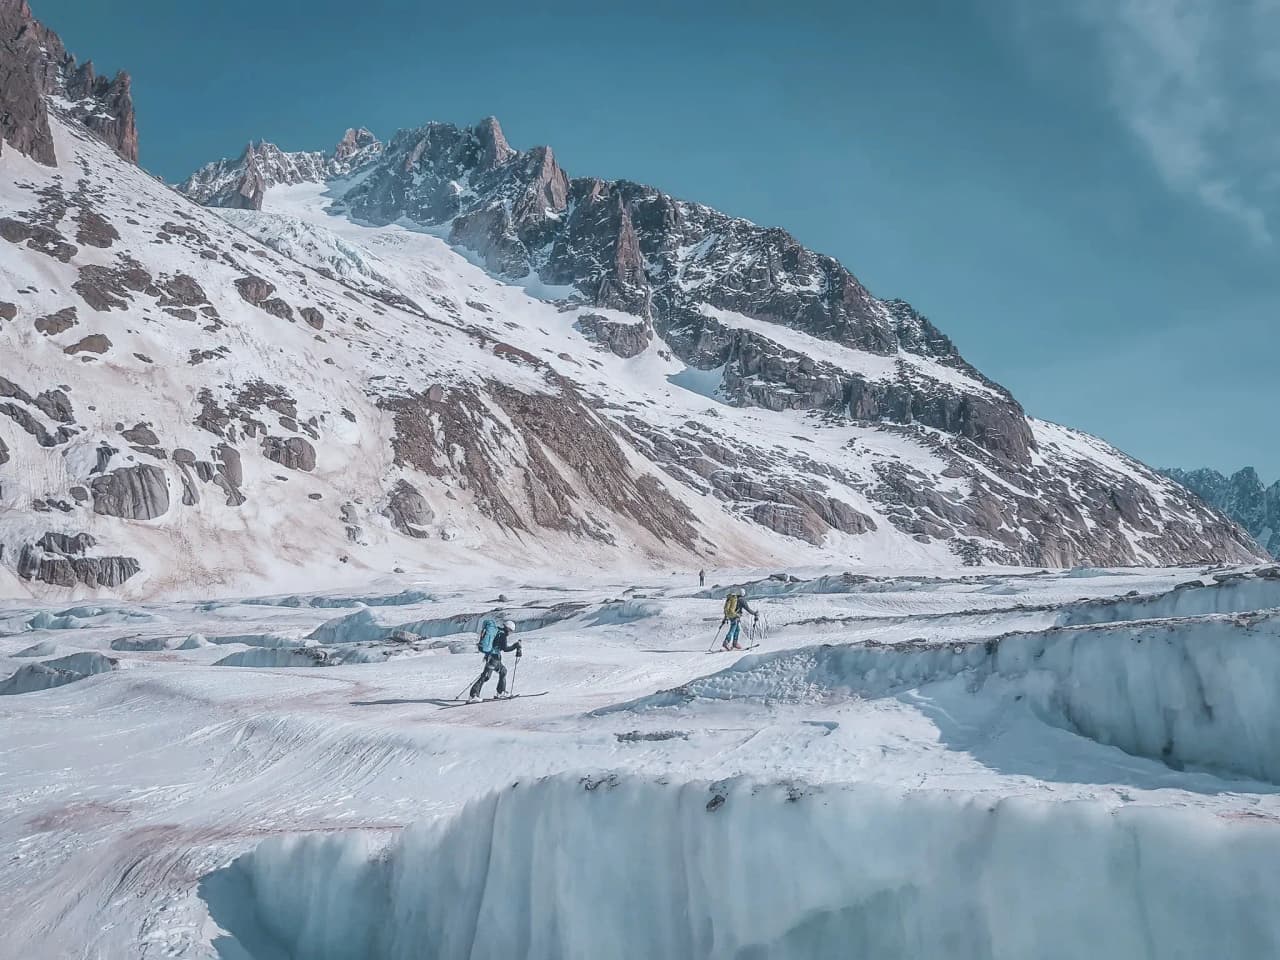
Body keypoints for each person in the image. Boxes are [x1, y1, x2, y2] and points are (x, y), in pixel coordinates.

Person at [470, 618, 522, 701]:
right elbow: (505, 648)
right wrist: (515, 646)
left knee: (502, 671)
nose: (511, 633)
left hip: (492, 657)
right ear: (508, 629)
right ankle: (474, 695)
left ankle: (500, 692)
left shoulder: (498, 631)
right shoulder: (503, 635)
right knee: (486, 676)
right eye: (511, 631)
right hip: (494, 658)